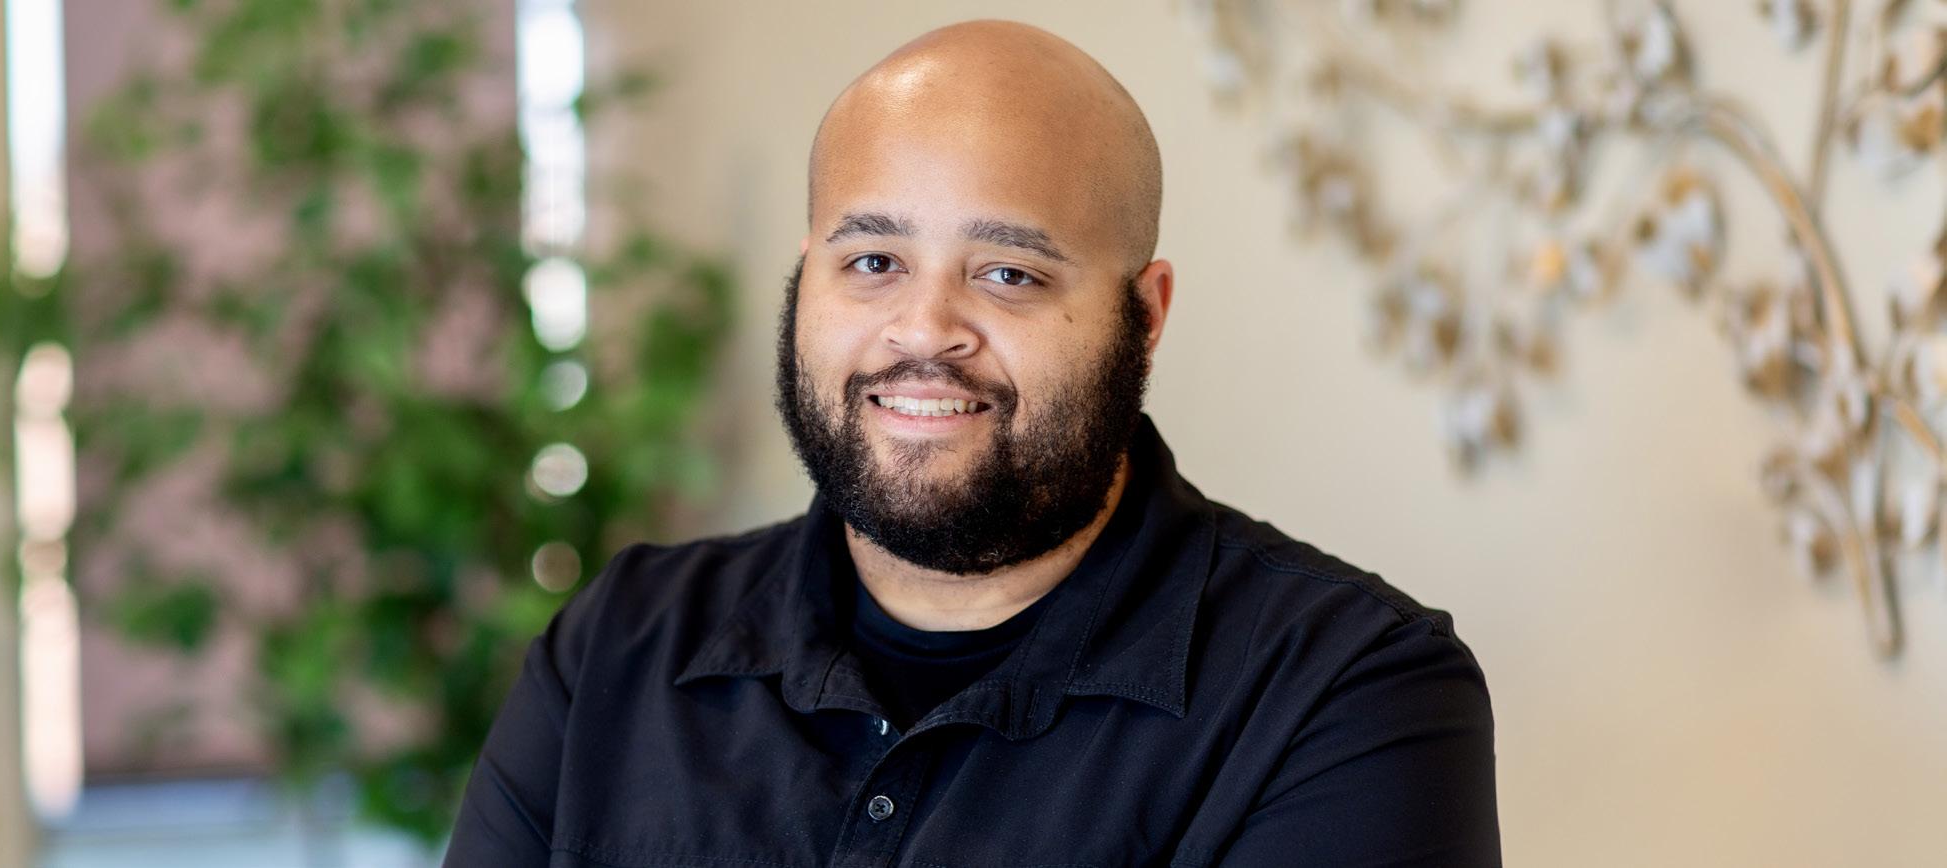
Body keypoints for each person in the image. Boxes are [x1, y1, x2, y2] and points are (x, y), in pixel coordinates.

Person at [444, 19, 1500, 867]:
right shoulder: (617, 648)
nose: (923, 330)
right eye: (872, 261)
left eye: (1009, 274)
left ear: (1144, 315)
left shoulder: (1346, 693)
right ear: (807, 279)